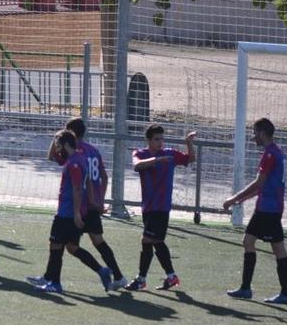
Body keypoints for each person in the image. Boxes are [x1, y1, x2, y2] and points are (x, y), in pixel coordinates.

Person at [27, 130, 112, 293]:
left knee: (55, 245)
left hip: (67, 213)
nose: (58, 149)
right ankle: (101, 271)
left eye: (59, 146)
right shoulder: (79, 159)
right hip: (75, 211)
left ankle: (54, 283)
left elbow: (78, 188)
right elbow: (87, 183)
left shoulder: (73, 163)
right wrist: (93, 202)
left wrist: (76, 213)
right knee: (72, 247)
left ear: (66, 145)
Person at [51, 118, 128, 290]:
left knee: (66, 245)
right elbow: (104, 176)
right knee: (97, 242)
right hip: (93, 204)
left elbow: (78, 180)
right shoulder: (93, 150)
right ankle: (117, 275)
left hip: (80, 206)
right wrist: (100, 200)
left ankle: (53, 279)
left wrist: (85, 205)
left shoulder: (74, 152)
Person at [223, 118, 287, 304]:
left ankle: (280, 292)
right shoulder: (279, 153)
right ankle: (255, 289)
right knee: (255, 243)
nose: (253, 137)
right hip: (271, 207)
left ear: (262, 133)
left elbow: (259, 183)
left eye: (254, 133)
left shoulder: (270, 155)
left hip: (267, 210)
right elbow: (264, 186)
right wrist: (241, 200)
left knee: (267, 246)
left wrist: (233, 198)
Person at [125, 124, 196, 291]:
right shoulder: (140, 153)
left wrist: (189, 143)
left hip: (161, 206)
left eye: (162, 139)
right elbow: (137, 165)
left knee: (148, 240)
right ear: (148, 140)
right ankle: (171, 277)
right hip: (148, 206)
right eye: (157, 139)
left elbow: (190, 159)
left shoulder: (170, 154)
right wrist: (156, 160)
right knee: (155, 241)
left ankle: (141, 279)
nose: (160, 142)